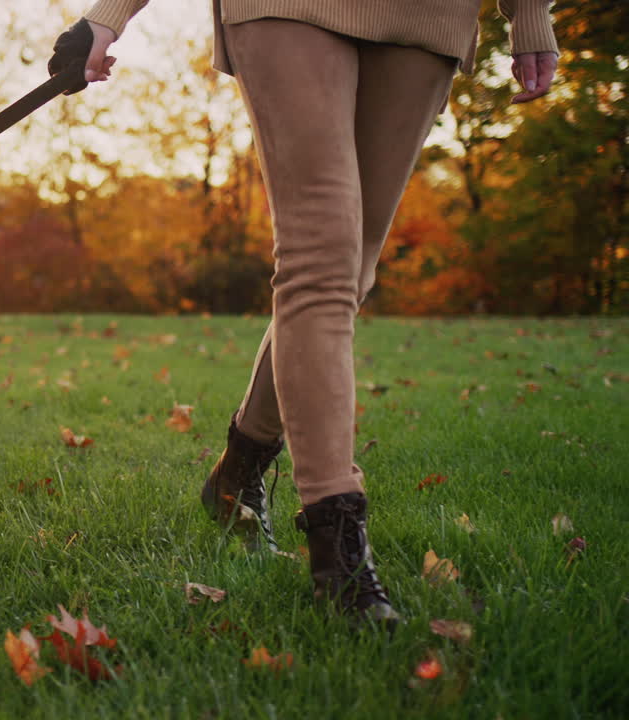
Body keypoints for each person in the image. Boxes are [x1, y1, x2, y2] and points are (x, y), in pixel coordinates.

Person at [49, 1, 558, 625]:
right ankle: (339, 555)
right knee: (320, 262)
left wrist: (530, 13)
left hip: (428, 16)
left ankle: (237, 473)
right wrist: (111, 15)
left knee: (348, 274)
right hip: (285, 9)